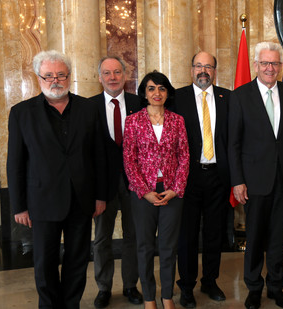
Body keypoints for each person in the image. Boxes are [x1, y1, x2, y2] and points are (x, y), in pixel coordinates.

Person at [7, 50, 107, 308]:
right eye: (49, 75)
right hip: (42, 201)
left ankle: (71, 304)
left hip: (81, 200)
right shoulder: (21, 113)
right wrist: (18, 205)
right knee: (45, 261)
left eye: (61, 75)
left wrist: (101, 195)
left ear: (69, 77)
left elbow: (99, 156)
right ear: (39, 78)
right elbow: (16, 162)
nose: (55, 81)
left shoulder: (88, 108)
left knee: (77, 259)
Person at [228, 41, 283, 309]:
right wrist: (237, 180)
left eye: (275, 63)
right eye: (265, 63)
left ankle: (276, 287)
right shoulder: (240, 96)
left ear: (281, 67)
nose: (270, 68)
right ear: (255, 65)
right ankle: (254, 287)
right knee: (255, 237)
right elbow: (233, 143)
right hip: (253, 180)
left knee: (278, 238)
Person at [123, 71, 189, 309]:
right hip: (143, 194)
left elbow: (184, 157)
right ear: (144, 92)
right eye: (151, 88)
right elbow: (129, 160)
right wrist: (143, 191)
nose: (156, 93)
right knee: (145, 247)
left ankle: (168, 296)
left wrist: (176, 188)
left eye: (161, 88)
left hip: (172, 193)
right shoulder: (133, 121)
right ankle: (149, 297)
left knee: (169, 247)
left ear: (167, 92)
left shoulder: (177, 120)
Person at [173, 51, 231, 308]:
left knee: (214, 233)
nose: (203, 71)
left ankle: (210, 280)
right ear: (191, 69)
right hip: (187, 178)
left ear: (215, 71)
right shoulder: (176, 97)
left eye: (208, 66)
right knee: (186, 235)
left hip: (218, 176)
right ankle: (186, 286)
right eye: (198, 65)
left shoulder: (227, 97)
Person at [90, 56, 143, 308]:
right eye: (107, 73)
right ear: (99, 77)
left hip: (136, 183)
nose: (112, 77)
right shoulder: (88, 108)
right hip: (102, 186)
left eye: (117, 72)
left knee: (134, 236)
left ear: (125, 75)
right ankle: (103, 288)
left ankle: (131, 286)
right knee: (102, 238)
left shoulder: (139, 104)